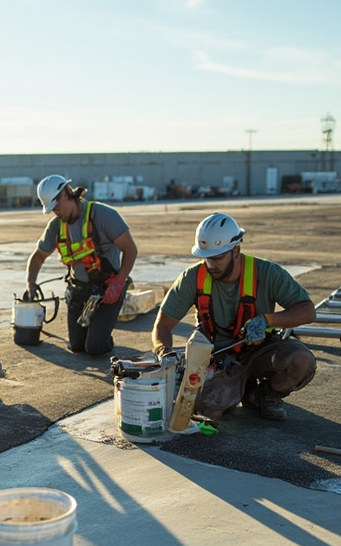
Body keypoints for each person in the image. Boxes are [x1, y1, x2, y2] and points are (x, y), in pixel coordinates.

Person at [152, 213, 317, 422]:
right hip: (220, 359)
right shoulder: (193, 278)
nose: (211, 265)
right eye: (206, 257)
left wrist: (268, 320)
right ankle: (242, 388)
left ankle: (266, 394)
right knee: (209, 406)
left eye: (217, 258)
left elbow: (308, 311)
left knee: (301, 361)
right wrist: (164, 353)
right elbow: (162, 326)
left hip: (261, 350)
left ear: (236, 250)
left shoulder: (267, 273)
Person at [24, 175, 137, 357]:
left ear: (67, 192)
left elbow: (130, 249)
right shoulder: (56, 226)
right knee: (76, 346)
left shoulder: (103, 216)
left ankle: (102, 336)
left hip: (108, 290)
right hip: (79, 291)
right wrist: (30, 283)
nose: (56, 212)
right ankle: (94, 329)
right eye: (52, 210)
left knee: (94, 347)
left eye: (57, 206)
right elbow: (38, 257)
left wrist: (119, 282)